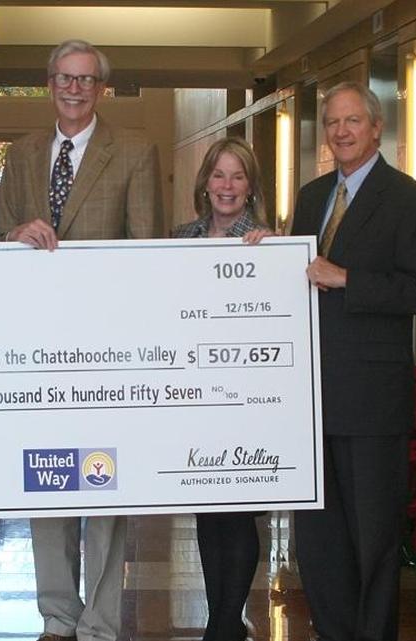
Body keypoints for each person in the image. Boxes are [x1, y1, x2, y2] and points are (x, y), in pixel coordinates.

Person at [0, 39, 164, 641]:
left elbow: (146, 255)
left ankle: (97, 619)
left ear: (101, 89)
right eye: (65, 78)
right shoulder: (22, 154)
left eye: (86, 80)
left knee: (105, 479)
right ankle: (57, 617)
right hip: (37, 352)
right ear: (49, 84)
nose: (75, 89)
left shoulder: (136, 151)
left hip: (107, 351)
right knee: (46, 481)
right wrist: (15, 231)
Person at [290, 81, 416, 641]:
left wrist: (348, 279)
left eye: (352, 121)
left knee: (374, 539)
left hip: (373, 403)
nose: (341, 131)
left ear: (376, 127)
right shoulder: (309, 198)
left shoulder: (409, 197)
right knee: (320, 540)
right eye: (332, 122)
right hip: (312, 399)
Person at [171, 136, 271, 641]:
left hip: (248, 397)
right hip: (195, 394)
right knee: (208, 510)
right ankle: (220, 617)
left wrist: (272, 259)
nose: (227, 186)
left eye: (237, 176)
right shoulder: (180, 238)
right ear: (204, 183)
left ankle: (228, 621)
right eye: (218, 175)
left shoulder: (270, 243)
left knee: (239, 510)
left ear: (250, 187)